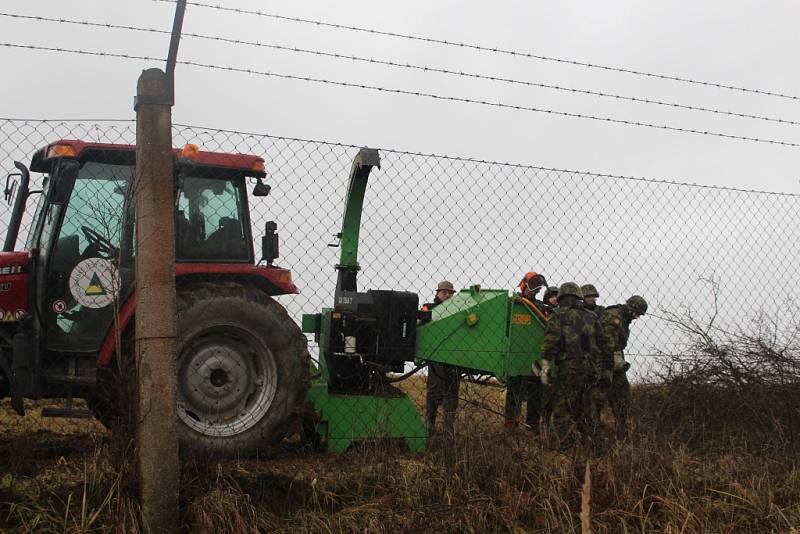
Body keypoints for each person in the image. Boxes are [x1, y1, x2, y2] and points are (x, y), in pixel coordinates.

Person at [539, 282, 607, 445]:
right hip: (590, 370)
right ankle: (591, 445)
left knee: (563, 410)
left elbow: (551, 342)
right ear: (579, 296)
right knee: (585, 409)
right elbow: (602, 343)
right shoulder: (592, 316)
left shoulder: (558, 314)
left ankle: (567, 447)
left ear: (562, 297)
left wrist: (545, 366)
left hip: (569, 368)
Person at [599, 295, 648, 438]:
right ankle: (596, 431)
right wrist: (617, 361)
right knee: (600, 396)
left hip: (614, 362)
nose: (637, 317)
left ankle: (621, 431)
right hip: (603, 362)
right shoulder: (613, 316)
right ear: (632, 309)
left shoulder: (623, 318)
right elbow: (608, 344)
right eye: (637, 313)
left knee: (623, 396)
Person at [505, 271, 547, 432]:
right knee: (514, 390)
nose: (534, 291)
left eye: (537, 288)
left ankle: (533, 425)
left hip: (535, 356)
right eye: (532, 287)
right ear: (524, 285)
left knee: (536, 391)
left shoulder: (541, 307)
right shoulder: (512, 304)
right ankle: (511, 424)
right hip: (515, 354)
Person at [423, 280, 460, 436]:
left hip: (454, 357)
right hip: (436, 357)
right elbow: (422, 323)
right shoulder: (428, 309)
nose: (447, 295)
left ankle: (448, 428)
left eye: (450, 293)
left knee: (452, 394)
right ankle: (429, 424)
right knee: (434, 391)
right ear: (437, 293)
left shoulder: (458, 311)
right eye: (444, 292)